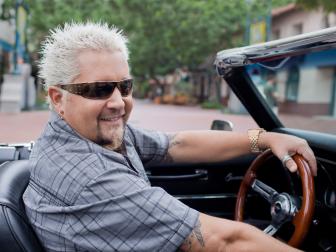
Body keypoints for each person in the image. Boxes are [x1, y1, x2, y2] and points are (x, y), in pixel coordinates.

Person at [23, 22, 317, 252]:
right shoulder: (90, 176)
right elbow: (223, 242)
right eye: (99, 89)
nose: (117, 102)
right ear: (58, 98)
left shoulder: (88, 134)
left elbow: (176, 145)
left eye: (124, 86)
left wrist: (264, 139)